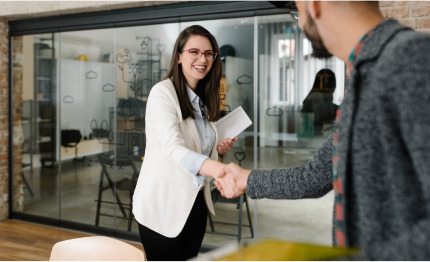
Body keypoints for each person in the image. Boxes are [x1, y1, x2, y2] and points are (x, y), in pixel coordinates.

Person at [215, 0, 430, 260]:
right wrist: (246, 179)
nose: (301, 22)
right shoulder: (363, 76)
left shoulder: (411, 60)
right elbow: (317, 176)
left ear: (314, 5)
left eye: (297, 12)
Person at [132, 25, 237, 261]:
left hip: (195, 203)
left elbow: (196, 146)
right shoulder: (163, 93)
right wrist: (223, 170)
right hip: (161, 207)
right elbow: (173, 148)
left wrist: (216, 148)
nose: (203, 59)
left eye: (209, 53)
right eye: (194, 52)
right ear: (179, 56)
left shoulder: (203, 99)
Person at [301, 69, 338, 135]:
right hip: (311, 137)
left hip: (315, 134)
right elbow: (320, 115)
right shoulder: (317, 95)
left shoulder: (318, 94)